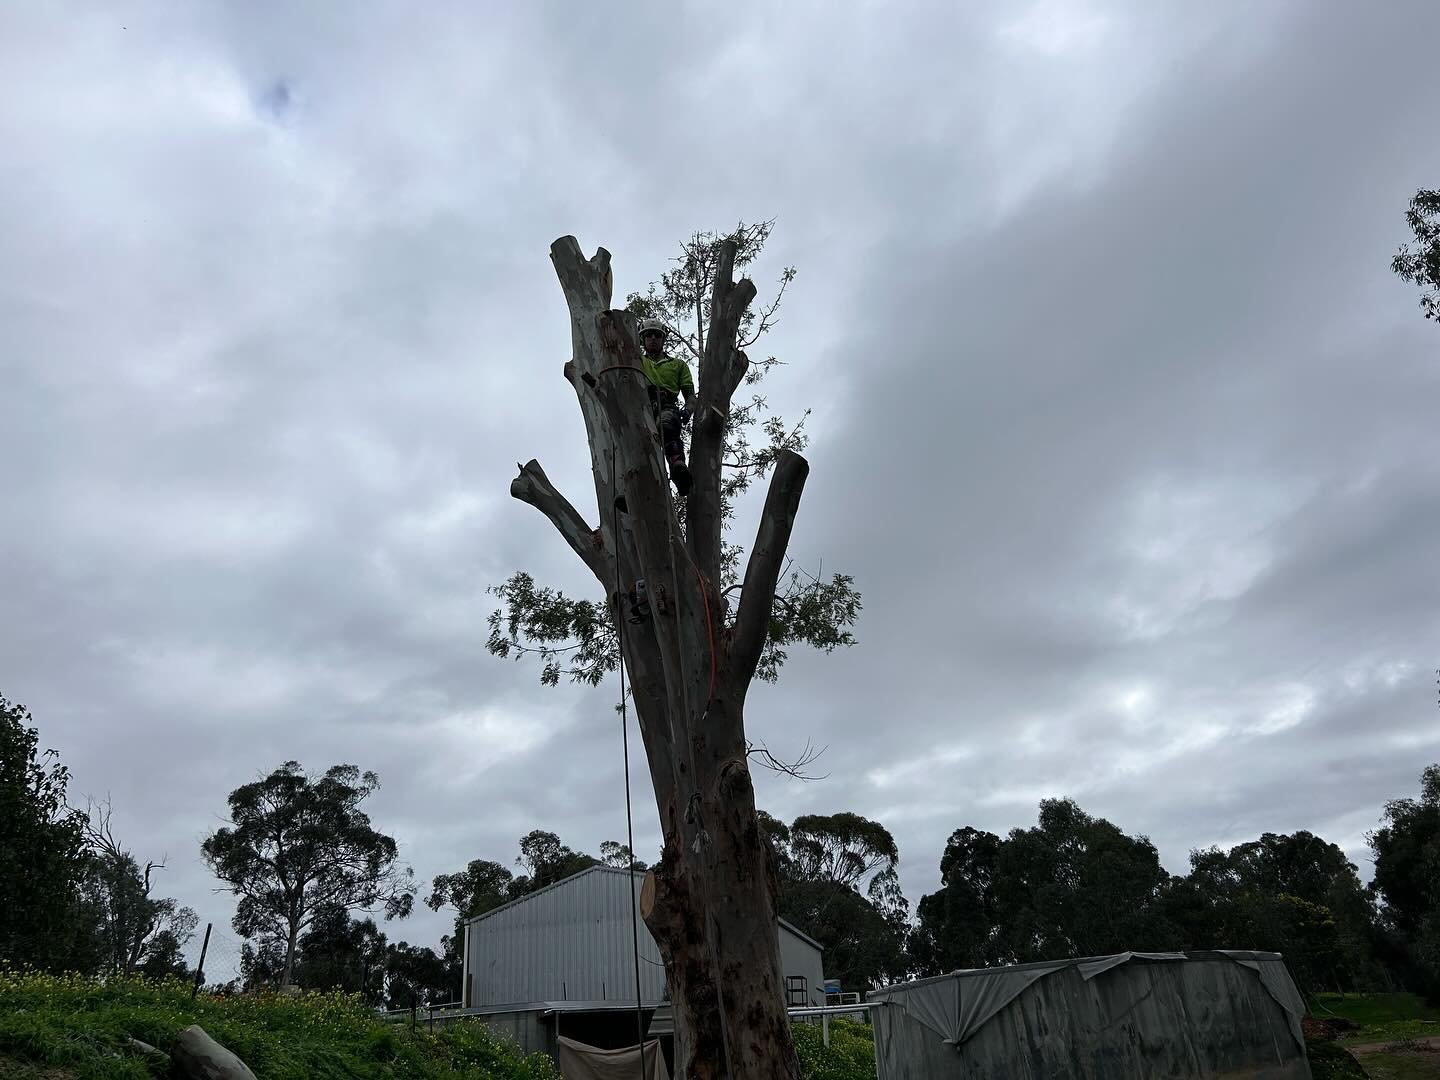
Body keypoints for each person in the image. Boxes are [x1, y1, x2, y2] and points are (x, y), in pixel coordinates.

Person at [637, 318, 696, 496]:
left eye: (657, 335)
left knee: (666, 423)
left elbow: (691, 396)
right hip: (639, 407)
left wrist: (687, 411)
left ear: (663, 339)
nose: (653, 338)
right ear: (643, 340)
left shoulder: (678, 365)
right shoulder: (636, 360)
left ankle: (678, 467)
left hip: (667, 405)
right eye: (649, 335)